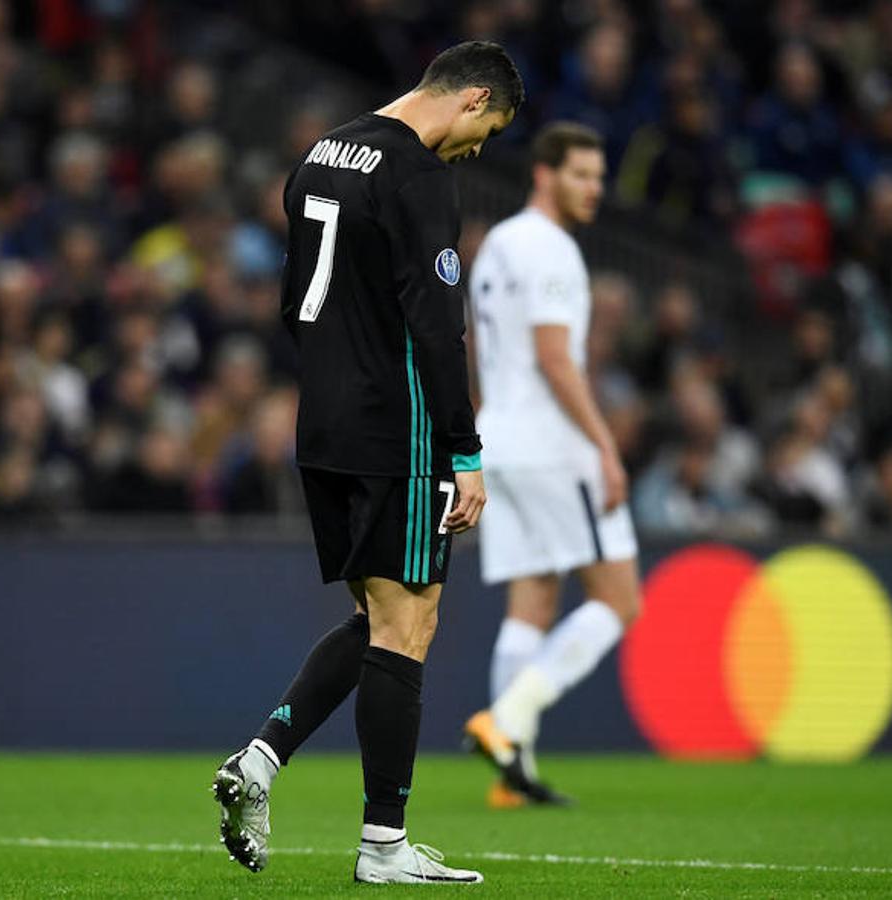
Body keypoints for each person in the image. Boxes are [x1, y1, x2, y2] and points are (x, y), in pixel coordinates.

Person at [211, 41, 522, 885]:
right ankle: (383, 846)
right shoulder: (419, 177)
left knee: (380, 622)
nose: (477, 150)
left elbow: (291, 299)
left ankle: (262, 761)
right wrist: (464, 450)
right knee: (409, 626)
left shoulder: (321, 152)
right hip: (401, 427)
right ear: (468, 99)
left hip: (325, 422)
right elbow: (435, 326)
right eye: (486, 130)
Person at [463, 122, 642, 807]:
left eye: (598, 177)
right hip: (550, 444)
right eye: (580, 175)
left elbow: (481, 348)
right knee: (620, 600)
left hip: (498, 439)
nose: (593, 189)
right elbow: (553, 357)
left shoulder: (497, 246)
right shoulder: (552, 250)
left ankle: (515, 774)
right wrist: (602, 443)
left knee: (531, 600)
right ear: (543, 174)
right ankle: (506, 723)